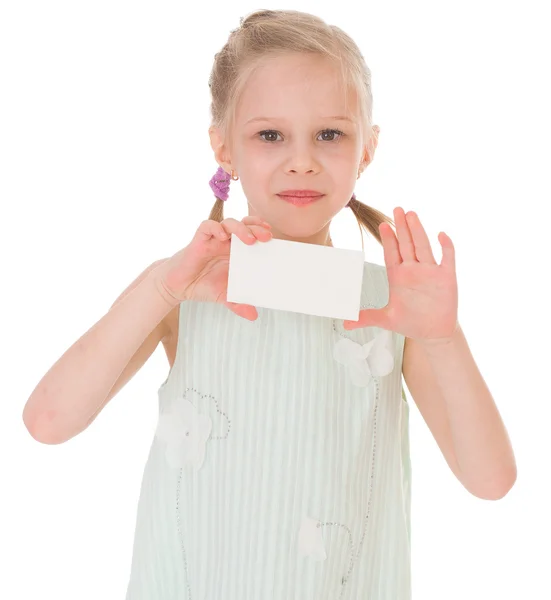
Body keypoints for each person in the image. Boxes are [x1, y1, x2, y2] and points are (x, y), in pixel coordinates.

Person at [22, 9, 516, 600]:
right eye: (270, 135)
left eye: (329, 134)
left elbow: (490, 481)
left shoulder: (390, 303)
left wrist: (442, 336)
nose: (302, 159)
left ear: (368, 148)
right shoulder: (186, 287)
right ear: (223, 148)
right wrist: (160, 288)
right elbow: (48, 422)